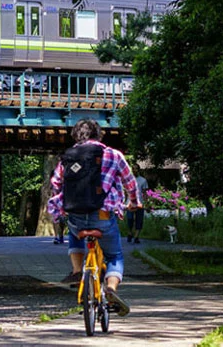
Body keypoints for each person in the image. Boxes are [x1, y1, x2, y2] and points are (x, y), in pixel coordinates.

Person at [47, 118, 139, 315]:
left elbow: (55, 183)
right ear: (99, 135)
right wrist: (134, 202)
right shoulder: (113, 155)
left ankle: (77, 270)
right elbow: (130, 182)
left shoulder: (68, 157)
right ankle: (111, 288)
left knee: (74, 232)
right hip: (103, 215)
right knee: (114, 255)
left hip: (76, 216)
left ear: (75, 136)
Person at [127, 171, 148, 244]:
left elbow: (144, 193)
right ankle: (130, 232)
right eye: (133, 169)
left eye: (136, 169)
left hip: (139, 203)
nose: (135, 170)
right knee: (130, 218)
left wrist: (146, 202)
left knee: (139, 220)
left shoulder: (143, 180)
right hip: (130, 203)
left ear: (139, 170)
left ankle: (136, 236)